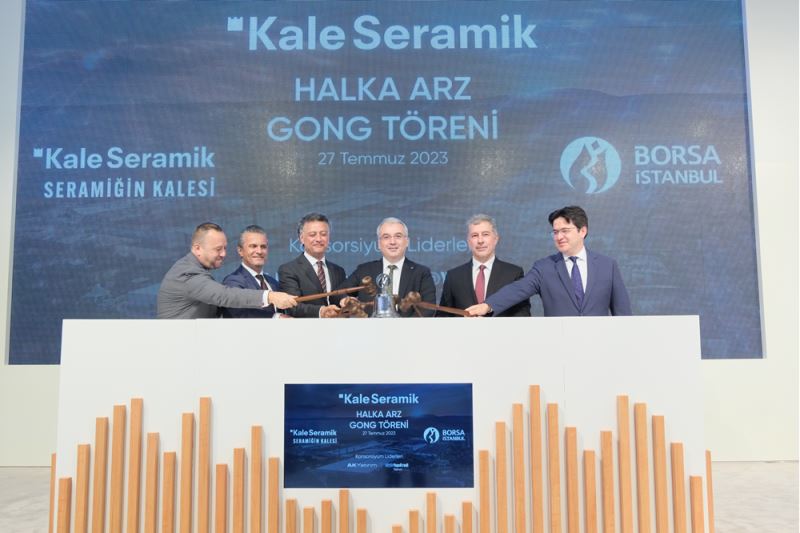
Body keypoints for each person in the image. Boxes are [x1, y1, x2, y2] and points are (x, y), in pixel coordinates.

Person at [465, 206, 632, 317]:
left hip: (599, 347)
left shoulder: (607, 266)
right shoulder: (544, 268)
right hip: (559, 346)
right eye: (555, 232)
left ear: (582, 231)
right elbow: (518, 289)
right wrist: (488, 305)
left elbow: (623, 313)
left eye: (565, 231)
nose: (559, 237)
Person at [157, 222, 296, 319]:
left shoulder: (198, 271)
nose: (224, 254)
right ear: (197, 248)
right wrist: (269, 296)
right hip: (178, 346)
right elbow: (223, 295)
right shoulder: (187, 273)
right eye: (218, 249)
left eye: (224, 248)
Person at [438, 214, 530, 317]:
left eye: (485, 234)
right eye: (474, 235)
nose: (480, 241)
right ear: (468, 241)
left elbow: (523, 315)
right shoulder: (453, 276)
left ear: (496, 239)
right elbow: (442, 317)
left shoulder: (513, 274)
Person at [342, 217, 436, 317]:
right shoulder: (364, 271)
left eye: (398, 236)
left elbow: (428, 308)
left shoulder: (421, 273)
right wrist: (345, 300)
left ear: (407, 241)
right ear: (379, 243)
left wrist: (405, 326)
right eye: (386, 237)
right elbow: (339, 293)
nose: (392, 242)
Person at [278, 213, 346, 318]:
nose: (318, 239)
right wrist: (321, 311)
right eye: (312, 234)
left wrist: (346, 301)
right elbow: (292, 306)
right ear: (301, 238)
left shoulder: (339, 271)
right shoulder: (288, 270)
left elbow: (339, 299)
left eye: (323, 234)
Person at [220, 225, 282, 318]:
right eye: (253, 246)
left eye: (263, 247)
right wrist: (276, 317)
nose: (259, 251)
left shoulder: (273, 283)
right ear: (240, 251)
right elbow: (239, 314)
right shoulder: (232, 282)